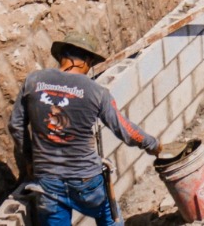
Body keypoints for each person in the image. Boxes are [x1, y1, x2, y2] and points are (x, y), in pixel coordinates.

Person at [9, 31, 162, 226]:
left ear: (63, 56)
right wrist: (153, 145)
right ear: (84, 61)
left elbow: (15, 125)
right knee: (111, 219)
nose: (89, 70)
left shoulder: (33, 80)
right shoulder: (96, 91)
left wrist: (29, 159)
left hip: (48, 182)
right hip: (86, 180)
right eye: (90, 64)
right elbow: (124, 129)